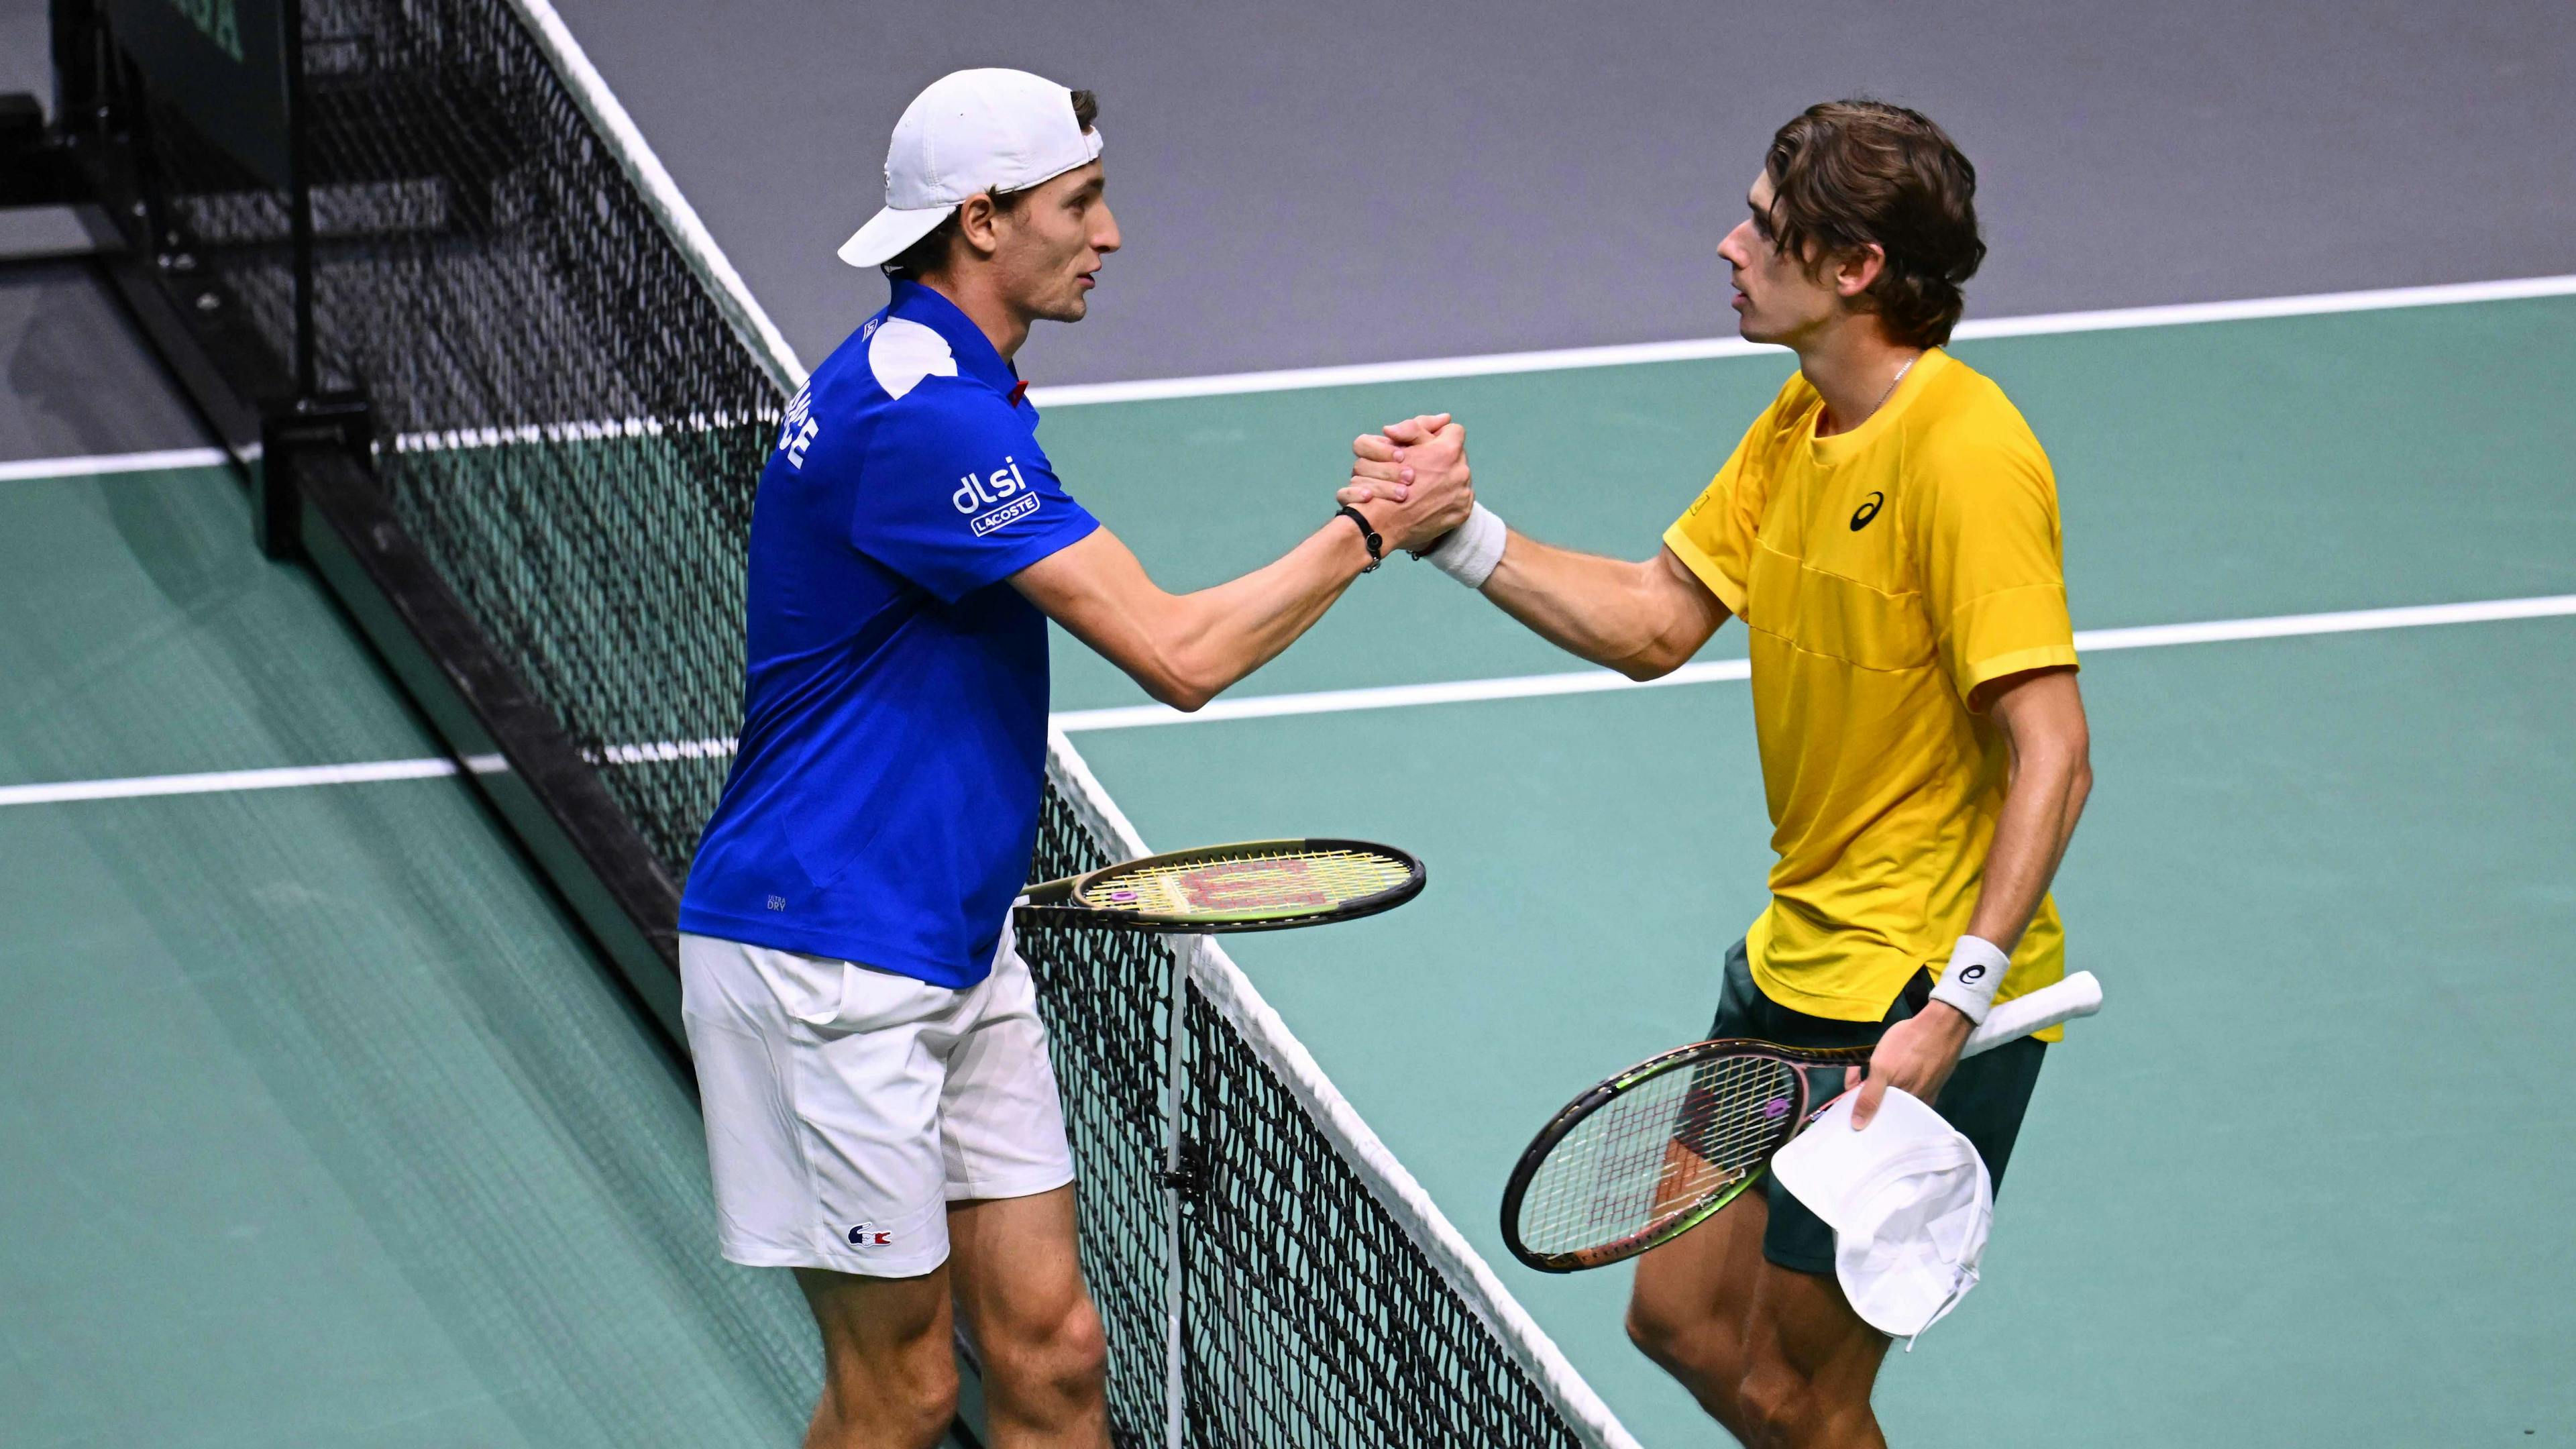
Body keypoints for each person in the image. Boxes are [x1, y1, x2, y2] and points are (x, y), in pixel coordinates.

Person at [676, 68, 1470, 1449]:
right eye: (1081, 202)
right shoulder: (922, 414)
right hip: (829, 959)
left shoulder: (944, 376)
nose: (1110, 233)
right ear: (981, 221)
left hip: (952, 943)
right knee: (904, 1392)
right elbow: (1179, 654)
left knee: (1052, 1358)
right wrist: (1370, 527)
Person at [1344, 100, 2092, 1447]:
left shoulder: (1969, 457)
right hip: (1794, 962)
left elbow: (2056, 752)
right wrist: (1460, 535)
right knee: (1682, 1323)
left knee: (1801, 1395)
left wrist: (1954, 1004)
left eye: (1762, 221)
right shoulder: (1800, 425)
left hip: (1915, 1005)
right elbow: (1655, 619)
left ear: (1855, 266)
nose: (1729, 243)